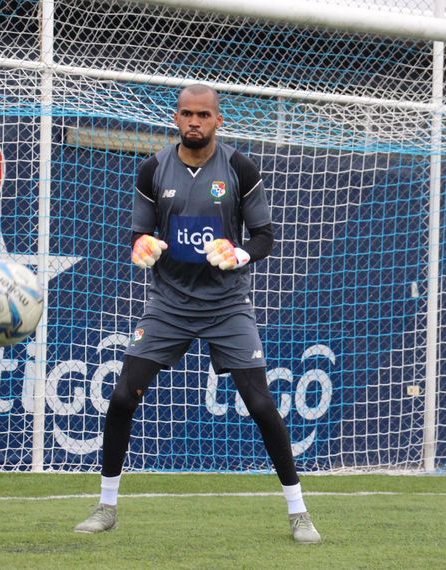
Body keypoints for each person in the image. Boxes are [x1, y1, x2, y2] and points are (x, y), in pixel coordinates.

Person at [74, 84, 321, 544]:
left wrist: (240, 254)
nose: (194, 122)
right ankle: (106, 506)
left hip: (227, 305)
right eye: (186, 114)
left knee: (262, 403)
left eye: (203, 115)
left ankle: (298, 511)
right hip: (168, 304)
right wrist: (142, 246)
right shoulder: (152, 169)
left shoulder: (239, 168)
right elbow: (140, 235)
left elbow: (264, 235)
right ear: (176, 119)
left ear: (217, 121)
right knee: (125, 395)